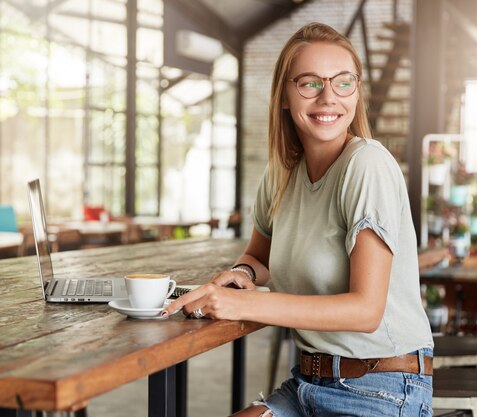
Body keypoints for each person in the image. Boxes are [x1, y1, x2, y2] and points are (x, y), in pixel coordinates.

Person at [162, 22, 434, 417]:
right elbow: (259, 258)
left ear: (356, 93)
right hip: (309, 383)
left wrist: (242, 305)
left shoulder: (367, 164)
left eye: (344, 83)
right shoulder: (282, 174)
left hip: (383, 387)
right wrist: (243, 275)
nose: (328, 97)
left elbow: (365, 311)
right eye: (309, 83)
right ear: (285, 96)